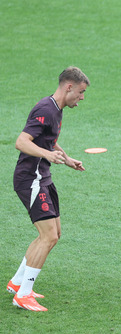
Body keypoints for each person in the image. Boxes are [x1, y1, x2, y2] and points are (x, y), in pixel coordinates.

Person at [8, 67, 90, 312]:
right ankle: (23, 295)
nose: (82, 98)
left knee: (55, 233)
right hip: (29, 179)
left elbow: (49, 139)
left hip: (43, 177)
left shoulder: (56, 110)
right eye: (81, 92)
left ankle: (17, 283)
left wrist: (67, 159)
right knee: (48, 236)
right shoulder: (45, 109)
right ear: (68, 87)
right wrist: (46, 155)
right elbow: (21, 142)